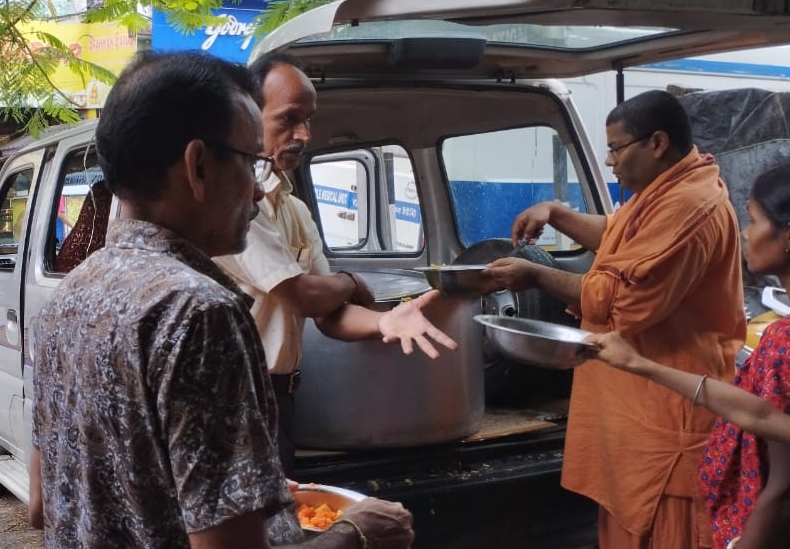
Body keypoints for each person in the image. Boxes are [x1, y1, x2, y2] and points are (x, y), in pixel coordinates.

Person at [28, 51, 414, 549]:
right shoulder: (200, 314)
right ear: (198, 166)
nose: (257, 192)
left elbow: (43, 505)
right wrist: (357, 533)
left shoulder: (65, 300)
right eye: (252, 162)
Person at [483, 90, 747, 548]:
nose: (609, 162)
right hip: (634, 413)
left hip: (670, 410)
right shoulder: (666, 191)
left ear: (657, 143)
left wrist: (536, 275)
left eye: (616, 149)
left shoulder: (691, 204)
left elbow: (624, 299)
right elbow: (618, 234)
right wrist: (557, 214)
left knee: (664, 527)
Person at [212, 53, 456, 476]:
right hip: (235, 399)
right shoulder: (235, 203)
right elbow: (302, 295)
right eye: (289, 119)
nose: (304, 134)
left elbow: (329, 314)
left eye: (308, 120)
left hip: (279, 398)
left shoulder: (294, 209)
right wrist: (351, 281)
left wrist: (385, 321)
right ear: (250, 116)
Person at [584, 163, 790, 549]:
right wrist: (639, 364)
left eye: (753, 220)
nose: (745, 233)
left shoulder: (783, 342)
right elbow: (762, 415)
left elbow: (781, 487)